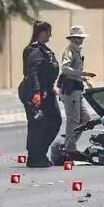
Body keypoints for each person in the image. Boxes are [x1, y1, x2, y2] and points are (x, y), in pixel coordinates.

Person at [19, 21, 62, 167]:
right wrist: (36, 92)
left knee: (55, 120)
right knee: (38, 123)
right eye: (49, 32)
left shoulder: (45, 50)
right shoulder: (34, 50)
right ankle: (34, 157)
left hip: (46, 92)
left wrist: (51, 87)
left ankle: (41, 153)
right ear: (43, 33)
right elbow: (32, 72)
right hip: (34, 93)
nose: (51, 35)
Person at [58, 25, 96, 160]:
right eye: (79, 38)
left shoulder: (77, 52)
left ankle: (69, 143)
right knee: (73, 119)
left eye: (82, 38)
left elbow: (74, 71)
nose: (81, 40)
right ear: (73, 38)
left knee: (85, 118)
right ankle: (70, 148)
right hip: (70, 90)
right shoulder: (69, 51)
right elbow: (65, 69)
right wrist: (82, 73)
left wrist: (85, 78)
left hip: (78, 89)